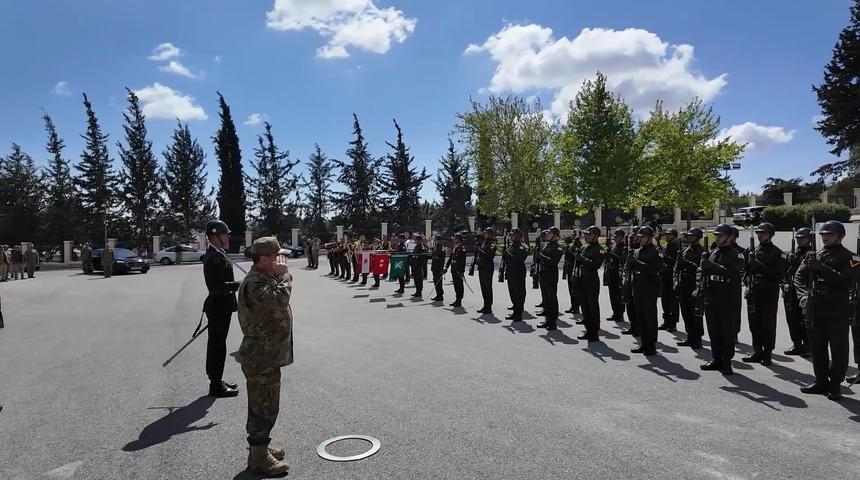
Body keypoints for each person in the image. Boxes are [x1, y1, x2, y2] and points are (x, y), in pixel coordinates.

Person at [237, 236, 293, 475]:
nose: (281, 260)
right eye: (277, 256)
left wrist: (277, 276)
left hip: (267, 354)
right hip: (261, 357)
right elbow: (281, 299)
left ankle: (260, 450)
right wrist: (284, 275)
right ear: (264, 259)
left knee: (267, 404)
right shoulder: (256, 283)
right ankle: (259, 458)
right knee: (263, 407)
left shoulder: (264, 278)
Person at [795, 220, 856, 401]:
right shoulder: (814, 255)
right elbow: (799, 277)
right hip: (815, 308)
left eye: (829, 234)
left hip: (837, 309)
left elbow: (847, 281)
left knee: (839, 350)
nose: (825, 237)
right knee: (818, 347)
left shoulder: (852, 258)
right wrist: (803, 297)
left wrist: (822, 268)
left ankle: (835, 384)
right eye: (823, 234)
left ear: (840, 236)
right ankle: (821, 381)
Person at [699, 224, 745, 375]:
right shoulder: (712, 252)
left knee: (727, 330)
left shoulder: (736, 254)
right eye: (716, 235)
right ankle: (716, 358)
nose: (717, 237)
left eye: (720, 235)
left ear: (730, 237)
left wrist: (712, 266)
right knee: (713, 330)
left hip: (727, 297)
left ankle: (726, 361)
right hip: (711, 295)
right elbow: (703, 272)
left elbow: (735, 274)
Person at [202, 220, 240, 398]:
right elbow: (216, 287)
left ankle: (217, 380)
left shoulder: (219, 253)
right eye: (225, 233)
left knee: (218, 345)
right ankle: (215, 385)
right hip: (218, 306)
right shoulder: (213, 257)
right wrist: (238, 285)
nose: (228, 236)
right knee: (217, 346)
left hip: (221, 306)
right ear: (215, 236)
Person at [742, 222, 786, 366]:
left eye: (764, 233)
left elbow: (778, 274)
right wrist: (747, 280)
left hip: (768, 292)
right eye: (759, 233)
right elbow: (746, 271)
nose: (760, 235)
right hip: (754, 291)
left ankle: (767, 354)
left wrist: (760, 266)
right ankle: (757, 351)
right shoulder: (751, 250)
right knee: (754, 323)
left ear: (771, 235)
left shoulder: (777, 253)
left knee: (768, 324)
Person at [629, 226, 661, 355]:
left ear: (650, 238)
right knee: (640, 316)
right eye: (640, 236)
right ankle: (643, 342)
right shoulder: (636, 251)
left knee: (649, 316)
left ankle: (651, 345)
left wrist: (636, 262)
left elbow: (653, 270)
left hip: (649, 287)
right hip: (637, 286)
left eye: (643, 236)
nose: (640, 238)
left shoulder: (655, 252)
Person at [782, 228, 813, 356]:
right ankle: (796, 343)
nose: (800, 240)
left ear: (809, 239)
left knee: (805, 320)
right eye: (798, 238)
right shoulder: (792, 254)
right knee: (792, 319)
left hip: (804, 291)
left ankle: (808, 345)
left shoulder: (811, 254)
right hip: (791, 290)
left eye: (803, 238)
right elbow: (783, 262)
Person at [674, 228, 705, 349]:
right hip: (684, 284)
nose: (689, 238)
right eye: (688, 236)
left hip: (694, 284)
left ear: (698, 237)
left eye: (692, 236)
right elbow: (676, 268)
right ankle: (690, 336)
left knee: (695, 313)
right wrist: (676, 282)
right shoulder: (685, 250)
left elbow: (699, 268)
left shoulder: (702, 252)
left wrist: (685, 262)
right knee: (685, 312)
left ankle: (697, 338)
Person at [575, 226, 605, 341]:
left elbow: (595, 265)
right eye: (586, 234)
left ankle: (594, 331)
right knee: (585, 306)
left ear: (595, 236)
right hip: (582, 278)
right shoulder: (584, 247)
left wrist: (582, 259)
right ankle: (588, 329)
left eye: (588, 234)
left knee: (592, 306)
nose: (586, 236)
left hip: (591, 279)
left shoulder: (599, 249)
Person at [536, 227, 563, 331]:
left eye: (549, 233)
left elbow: (553, 261)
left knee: (551, 298)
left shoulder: (558, 247)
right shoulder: (545, 244)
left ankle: (552, 322)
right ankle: (547, 320)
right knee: (546, 298)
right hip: (543, 273)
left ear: (555, 235)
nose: (547, 234)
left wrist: (542, 256)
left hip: (551, 274)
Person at [504, 228, 529, 321]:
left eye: (512, 235)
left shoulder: (522, 246)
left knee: (519, 293)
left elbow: (519, 259)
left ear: (517, 236)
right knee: (512, 292)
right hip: (511, 271)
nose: (510, 236)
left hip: (518, 272)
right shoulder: (512, 245)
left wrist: (508, 254)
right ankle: (515, 311)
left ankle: (518, 313)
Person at [658, 228, 680, 332]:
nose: (667, 236)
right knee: (664, 299)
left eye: (669, 235)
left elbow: (674, 261)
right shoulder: (665, 246)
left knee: (673, 301)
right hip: (664, 274)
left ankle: (673, 323)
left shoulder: (677, 247)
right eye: (666, 234)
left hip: (672, 274)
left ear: (674, 236)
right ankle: (666, 321)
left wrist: (663, 256)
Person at [621, 227, 641, 336]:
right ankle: (633, 325)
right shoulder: (629, 248)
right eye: (632, 236)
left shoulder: (641, 249)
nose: (633, 238)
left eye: (635, 236)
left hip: (639, 282)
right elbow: (625, 264)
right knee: (629, 305)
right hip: (629, 280)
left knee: (637, 307)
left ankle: (638, 328)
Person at [603, 230, 626, 321]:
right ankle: (615, 312)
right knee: (612, 294)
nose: (615, 238)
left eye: (617, 236)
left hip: (618, 273)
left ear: (622, 237)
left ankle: (620, 314)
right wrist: (607, 253)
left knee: (619, 295)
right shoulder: (613, 246)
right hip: (611, 272)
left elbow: (622, 259)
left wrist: (612, 254)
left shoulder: (624, 248)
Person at [476, 227, 498, 314]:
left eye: (486, 233)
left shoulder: (492, 243)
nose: (484, 234)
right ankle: (485, 305)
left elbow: (490, 256)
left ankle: (489, 306)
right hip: (482, 266)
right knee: (483, 287)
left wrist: (480, 251)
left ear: (490, 234)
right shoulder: (484, 242)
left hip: (488, 266)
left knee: (488, 286)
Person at [445, 233, 467, 308]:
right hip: (453, 269)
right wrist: (446, 267)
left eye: (455, 239)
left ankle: (459, 300)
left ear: (459, 240)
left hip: (458, 269)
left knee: (459, 285)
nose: (454, 240)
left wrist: (462, 271)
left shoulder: (462, 248)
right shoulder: (455, 248)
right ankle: (457, 299)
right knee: (455, 285)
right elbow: (451, 259)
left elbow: (463, 261)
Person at [563, 231, 582, 316]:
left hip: (577, 271)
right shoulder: (570, 246)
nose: (574, 237)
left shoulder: (581, 246)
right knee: (570, 289)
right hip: (570, 269)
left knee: (576, 289)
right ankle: (573, 305)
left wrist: (577, 245)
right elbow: (567, 257)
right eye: (573, 235)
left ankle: (577, 307)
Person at [430, 234, 446, 302]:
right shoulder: (435, 247)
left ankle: (440, 295)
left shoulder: (442, 248)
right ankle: (437, 294)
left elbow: (442, 259)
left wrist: (441, 268)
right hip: (434, 266)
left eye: (436, 240)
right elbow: (433, 256)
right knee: (435, 281)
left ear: (439, 240)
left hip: (439, 267)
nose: (435, 241)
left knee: (439, 281)